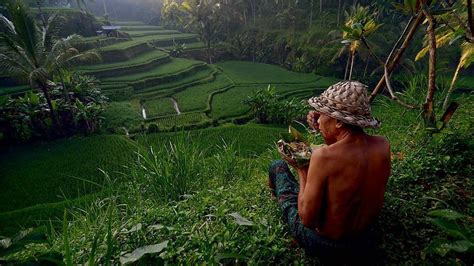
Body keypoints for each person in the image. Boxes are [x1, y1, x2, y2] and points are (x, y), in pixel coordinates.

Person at [268, 81, 391, 262]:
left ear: (339, 122)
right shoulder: (383, 145)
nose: (317, 119)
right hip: (366, 239)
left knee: (278, 167)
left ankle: (274, 198)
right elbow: (345, 152)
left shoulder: (324, 157)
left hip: (327, 245)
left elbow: (307, 220)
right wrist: (324, 126)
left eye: (322, 115)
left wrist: (302, 168)